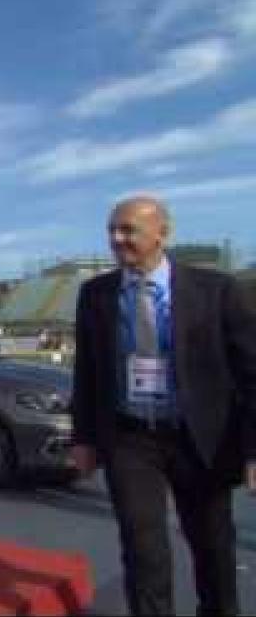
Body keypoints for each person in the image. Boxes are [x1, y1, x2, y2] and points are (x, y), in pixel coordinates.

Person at [70, 195, 256, 616]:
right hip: (130, 438)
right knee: (142, 551)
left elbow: (251, 374)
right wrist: (83, 437)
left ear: (162, 233)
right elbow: (88, 370)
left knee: (212, 551)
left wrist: (252, 448)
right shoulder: (95, 295)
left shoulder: (217, 290)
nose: (117, 239)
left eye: (128, 230)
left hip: (200, 438)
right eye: (112, 231)